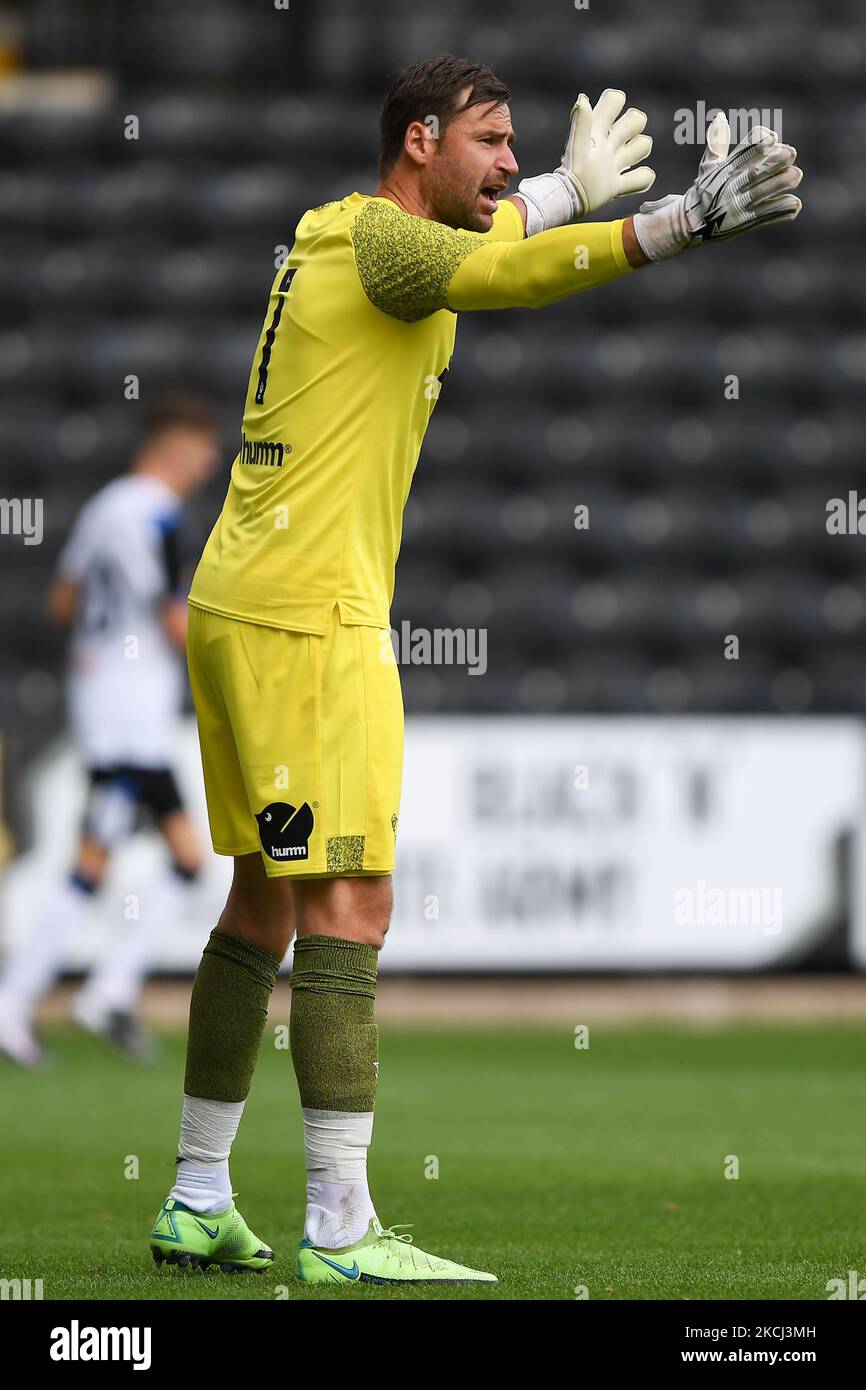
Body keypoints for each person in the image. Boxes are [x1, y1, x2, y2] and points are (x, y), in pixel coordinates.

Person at [148, 55, 802, 1284]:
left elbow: (484, 239)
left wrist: (555, 185)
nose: (508, 163)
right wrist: (670, 224)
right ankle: (341, 1229)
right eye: (491, 141)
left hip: (244, 603)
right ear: (416, 143)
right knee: (354, 901)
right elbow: (493, 268)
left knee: (262, 902)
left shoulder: (347, 242)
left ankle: (192, 1193)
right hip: (309, 624)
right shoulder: (388, 251)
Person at [0, 394, 219, 1067]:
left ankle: (98, 992)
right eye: (204, 455)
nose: (208, 469)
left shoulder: (103, 507)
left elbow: (63, 601)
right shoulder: (151, 513)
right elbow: (170, 618)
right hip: (131, 717)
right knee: (136, 859)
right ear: (177, 448)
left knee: (163, 858)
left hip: (110, 703)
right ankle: (26, 1000)